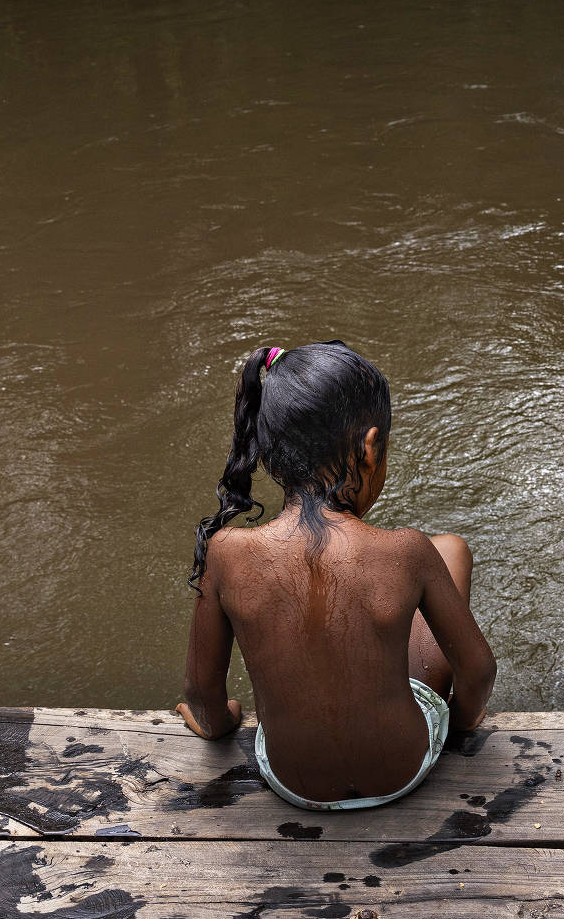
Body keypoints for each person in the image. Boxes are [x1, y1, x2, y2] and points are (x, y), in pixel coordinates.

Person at [176, 340, 494, 810]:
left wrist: (220, 719)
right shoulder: (407, 550)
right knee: (451, 551)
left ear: (271, 454)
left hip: (293, 785)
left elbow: (203, 697)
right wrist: (462, 723)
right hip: (402, 772)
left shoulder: (228, 553)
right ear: (369, 449)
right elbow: (479, 671)